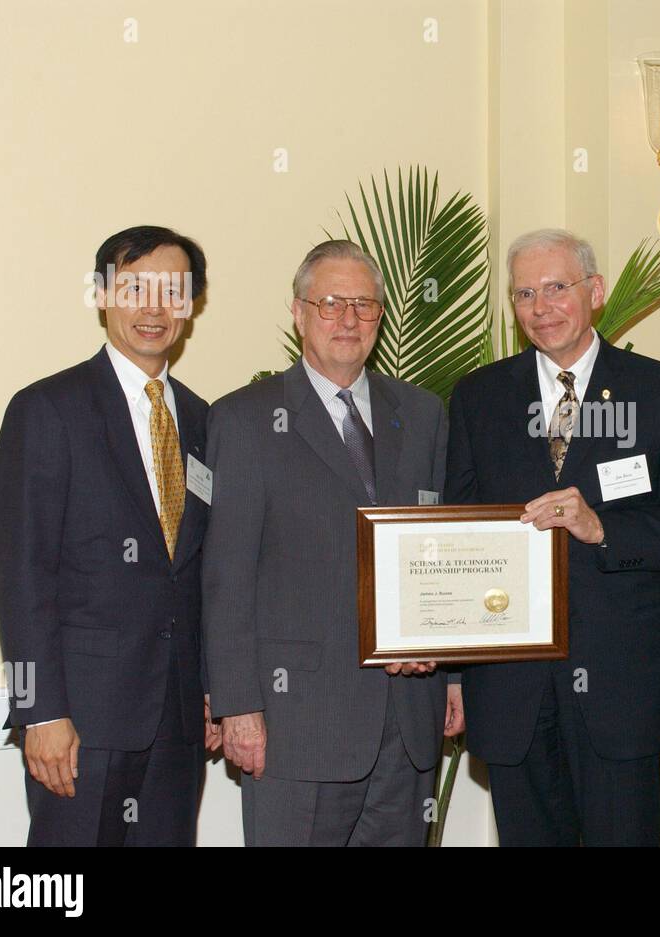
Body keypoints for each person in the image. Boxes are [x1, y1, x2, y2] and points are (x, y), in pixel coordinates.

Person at [444, 228, 660, 846]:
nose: (541, 307)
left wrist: (603, 528)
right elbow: (457, 535)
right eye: (524, 293)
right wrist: (452, 671)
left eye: (557, 288)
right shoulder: (478, 397)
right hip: (511, 686)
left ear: (595, 292)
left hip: (621, 686)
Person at [202, 240, 457, 846]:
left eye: (364, 306)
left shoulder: (423, 414)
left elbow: (442, 549)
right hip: (295, 725)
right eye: (330, 303)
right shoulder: (244, 419)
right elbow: (226, 574)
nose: (347, 320)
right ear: (298, 312)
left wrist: (452, 675)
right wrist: (237, 705)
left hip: (408, 718)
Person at [0, 224, 217, 845]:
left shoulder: (202, 420)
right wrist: (41, 712)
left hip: (176, 721)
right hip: (80, 722)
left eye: (172, 291)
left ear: (190, 305)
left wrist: (211, 691)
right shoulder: (48, 409)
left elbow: (197, 572)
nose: (153, 307)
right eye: (135, 287)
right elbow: (21, 573)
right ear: (101, 294)